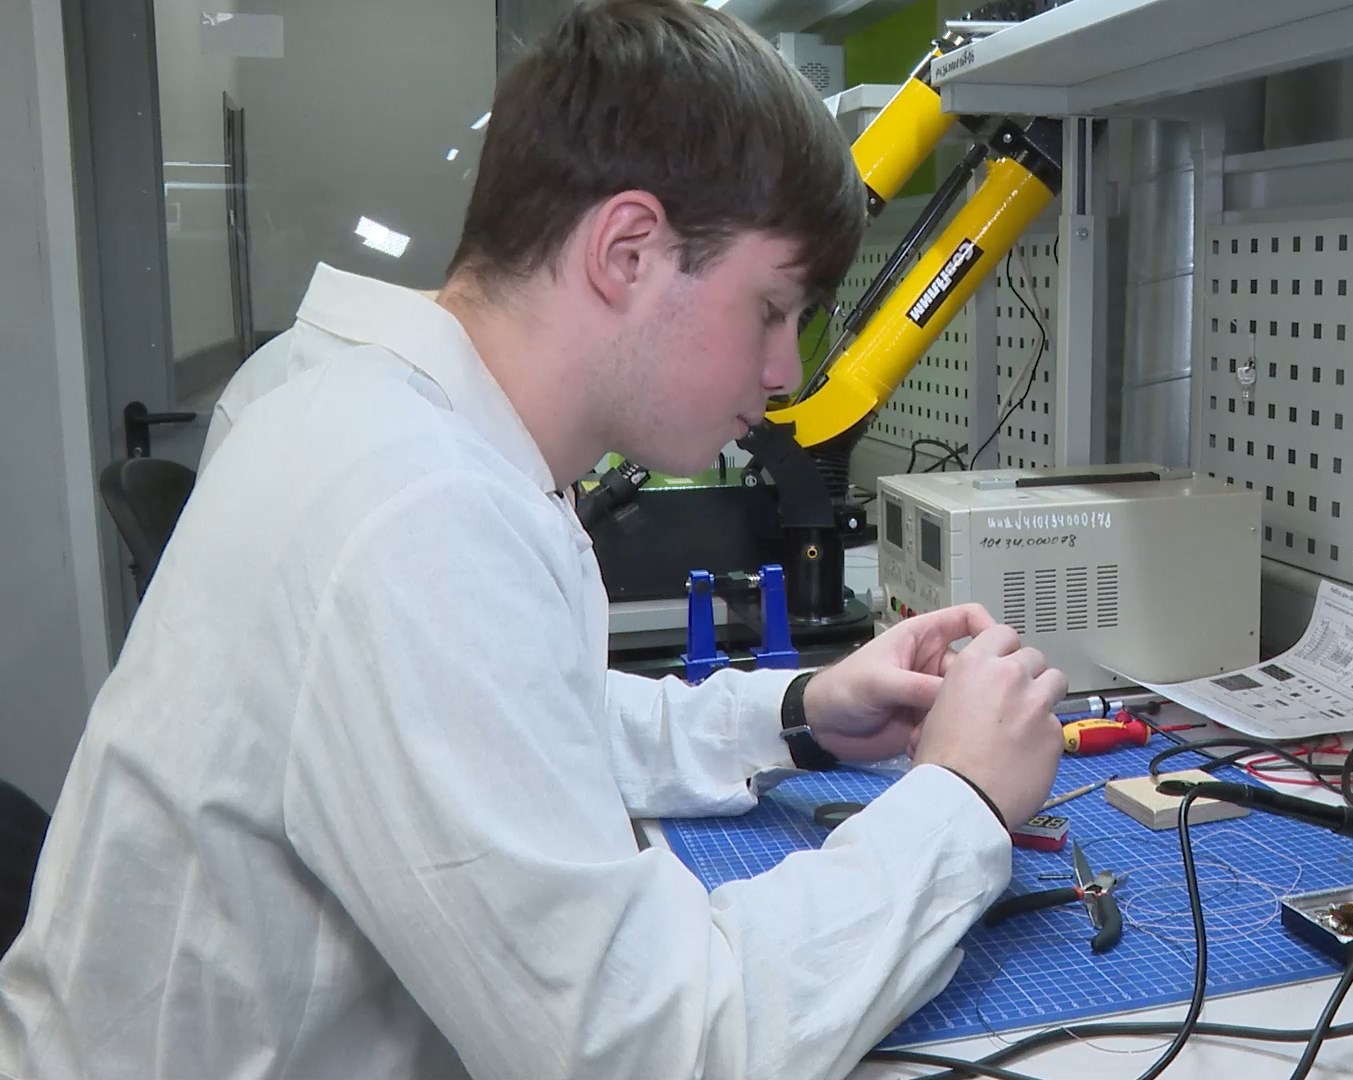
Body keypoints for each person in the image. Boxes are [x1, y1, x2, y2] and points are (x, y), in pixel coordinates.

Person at [0, 2, 1067, 1077]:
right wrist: (962, 801)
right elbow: (650, 1045)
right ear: (629, 252)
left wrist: (798, 713)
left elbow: (533, 721)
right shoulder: (413, 509)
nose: (787, 370)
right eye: (771, 309)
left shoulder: (398, 427)